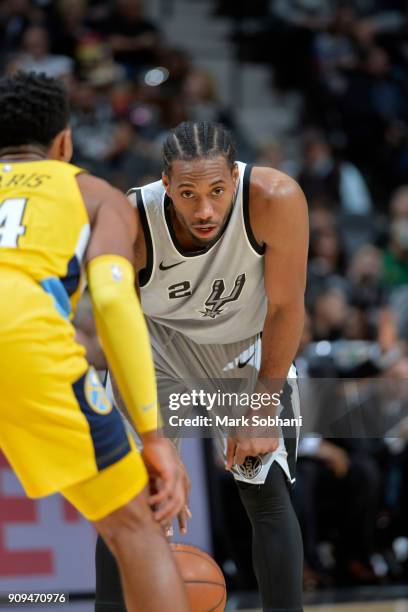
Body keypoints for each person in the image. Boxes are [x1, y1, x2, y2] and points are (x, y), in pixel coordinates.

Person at [95, 121, 309, 612]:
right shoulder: (130, 221)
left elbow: (286, 308)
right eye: (188, 193)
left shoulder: (276, 199)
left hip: (241, 345)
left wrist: (260, 406)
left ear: (235, 177)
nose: (205, 209)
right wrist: (154, 440)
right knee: (133, 498)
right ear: (165, 185)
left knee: (265, 487)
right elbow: (116, 325)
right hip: (152, 345)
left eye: (216, 190)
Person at [0, 72, 190, 612]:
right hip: (18, 333)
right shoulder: (95, 194)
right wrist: (152, 435)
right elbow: (110, 301)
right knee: (136, 531)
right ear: (64, 141)